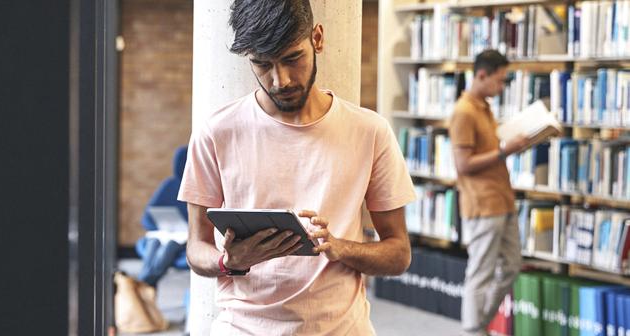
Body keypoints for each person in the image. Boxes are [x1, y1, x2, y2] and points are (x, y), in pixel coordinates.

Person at [177, 0, 416, 334]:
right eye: (262, 64)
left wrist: (340, 248)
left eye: (293, 58)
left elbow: (399, 253)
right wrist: (229, 261)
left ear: (317, 39)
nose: (281, 80)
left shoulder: (370, 131)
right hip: (243, 327)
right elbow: (195, 248)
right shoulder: (216, 132)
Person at [448, 49, 528, 336]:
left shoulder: (485, 107)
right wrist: (504, 151)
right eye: (500, 80)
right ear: (481, 75)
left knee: (512, 266)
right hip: (482, 204)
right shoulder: (463, 112)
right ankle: (474, 330)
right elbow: (463, 164)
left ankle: (478, 324)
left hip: (502, 199)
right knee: (480, 273)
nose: (502, 86)